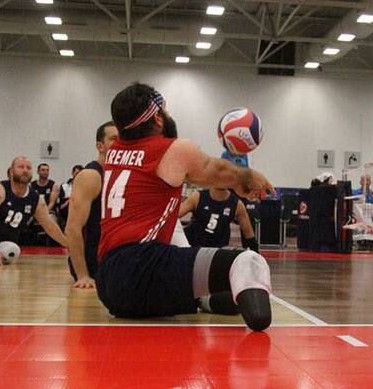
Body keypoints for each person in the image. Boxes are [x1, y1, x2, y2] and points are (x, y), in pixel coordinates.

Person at [95, 83, 274, 331]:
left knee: (221, 288)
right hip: (143, 267)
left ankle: (202, 300)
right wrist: (247, 176)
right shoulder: (172, 150)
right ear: (158, 117)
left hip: (107, 283)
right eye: (165, 111)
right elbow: (216, 170)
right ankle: (258, 335)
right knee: (248, 263)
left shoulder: (115, 152)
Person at [64, 121, 119, 288]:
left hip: (115, 256)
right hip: (95, 262)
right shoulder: (91, 176)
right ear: (100, 146)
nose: (120, 144)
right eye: (114, 139)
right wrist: (83, 275)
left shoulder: (120, 175)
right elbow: (72, 228)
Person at [178, 187, 258, 251]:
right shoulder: (197, 197)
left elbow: (249, 234)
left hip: (217, 252)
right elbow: (174, 215)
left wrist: (257, 258)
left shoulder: (237, 204)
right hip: (193, 248)